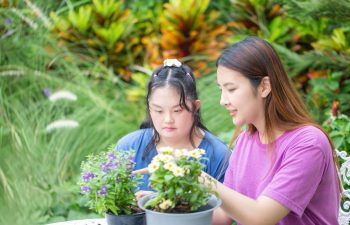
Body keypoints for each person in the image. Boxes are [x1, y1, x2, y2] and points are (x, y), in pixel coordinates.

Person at [198, 36, 340, 225]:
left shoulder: (308, 143)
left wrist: (198, 178)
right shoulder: (245, 141)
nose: (223, 100)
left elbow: (261, 218)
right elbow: (223, 216)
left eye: (231, 89)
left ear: (264, 86)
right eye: (221, 90)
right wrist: (166, 205)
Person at [115, 59, 230, 191]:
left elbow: (230, 210)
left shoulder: (219, 156)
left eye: (177, 110)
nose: (168, 119)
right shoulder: (128, 147)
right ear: (149, 107)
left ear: (195, 107)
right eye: (159, 110)